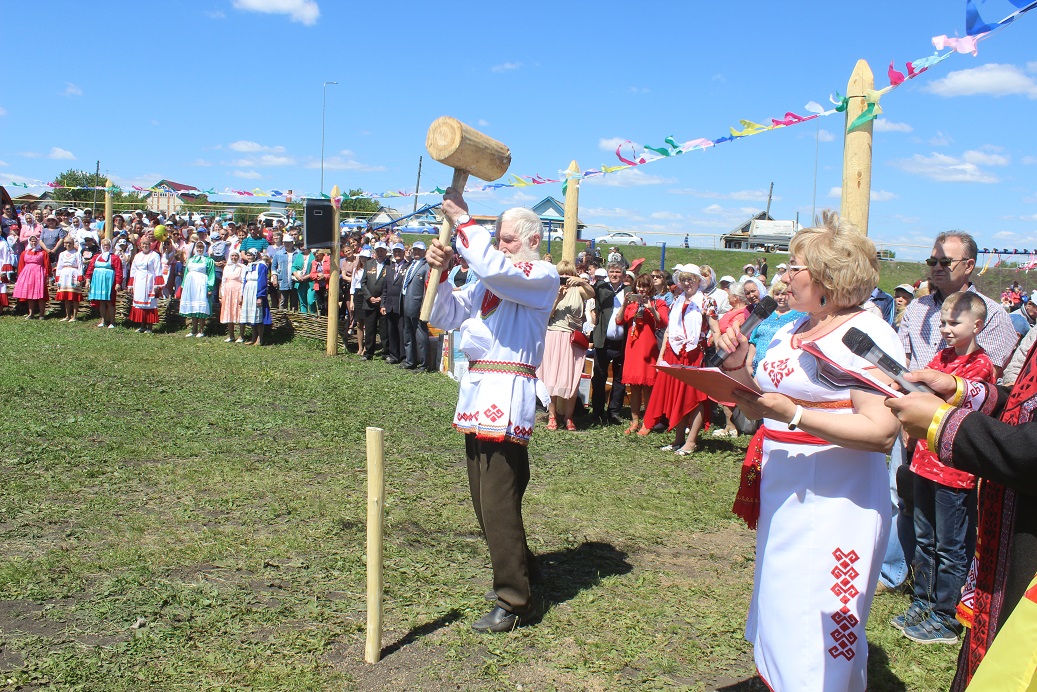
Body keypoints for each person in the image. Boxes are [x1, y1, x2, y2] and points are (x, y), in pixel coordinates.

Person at [716, 211, 902, 691]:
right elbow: (760, 398)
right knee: (782, 597)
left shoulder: (866, 333)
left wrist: (794, 416)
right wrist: (736, 365)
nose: (784, 275)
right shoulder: (793, 324)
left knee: (818, 609)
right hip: (787, 487)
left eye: (794, 266)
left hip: (837, 498)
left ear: (826, 277)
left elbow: (882, 431)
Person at [425, 188, 557, 633]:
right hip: (479, 387)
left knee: (498, 496)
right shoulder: (488, 279)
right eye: (497, 239)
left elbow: (497, 270)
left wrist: (464, 221)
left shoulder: (540, 275)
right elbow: (446, 315)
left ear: (533, 240)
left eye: (508, 240)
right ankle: (521, 571)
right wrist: (441, 276)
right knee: (484, 497)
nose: (501, 247)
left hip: (509, 388)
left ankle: (515, 600)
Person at [892, 291, 996, 646]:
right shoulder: (942, 356)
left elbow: (947, 402)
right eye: (943, 322)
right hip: (924, 461)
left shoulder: (980, 366)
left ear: (977, 325)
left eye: (954, 322)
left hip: (954, 471)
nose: (946, 329)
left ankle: (946, 616)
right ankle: (923, 602)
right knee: (925, 540)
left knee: (950, 547)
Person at [642, 264, 715, 455]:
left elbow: (716, 329)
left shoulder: (707, 301)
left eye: (690, 279)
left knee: (696, 396)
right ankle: (678, 439)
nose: (686, 283)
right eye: (683, 279)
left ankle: (691, 442)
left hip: (694, 353)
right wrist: (661, 357)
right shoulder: (676, 300)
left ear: (698, 281)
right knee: (677, 395)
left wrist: (715, 341)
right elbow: (668, 331)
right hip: (674, 353)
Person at [537, 260, 593, 431]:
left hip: (572, 337)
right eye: (561, 274)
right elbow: (545, 315)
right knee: (551, 376)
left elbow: (592, 294)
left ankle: (569, 417)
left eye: (568, 274)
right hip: (553, 334)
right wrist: (558, 298)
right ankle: (552, 416)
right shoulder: (550, 290)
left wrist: (582, 281)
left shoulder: (579, 289)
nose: (565, 278)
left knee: (572, 377)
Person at [621, 273, 668, 435]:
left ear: (650, 288)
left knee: (648, 388)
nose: (641, 289)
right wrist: (624, 304)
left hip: (649, 349)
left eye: (645, 286)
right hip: (633, 348)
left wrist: (651, 308)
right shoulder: (631, 304)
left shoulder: (659, 303)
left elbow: (663, 322)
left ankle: (648, 423)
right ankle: (634, 421)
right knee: (634, 388)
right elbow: (619, 320)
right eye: (639, 286)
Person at [590, 263, 629, 425]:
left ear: (623, 274)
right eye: (612, 271)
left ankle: (614, 412)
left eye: (618, 272)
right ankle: (597, 412)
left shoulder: (628, 291)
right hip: (603, 341)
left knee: (620, 379)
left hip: (622, 342)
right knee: (599, 376)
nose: (614, 274)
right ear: (607, 273)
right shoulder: (601, 288)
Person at [400, 241, 432, 370]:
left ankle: (424, 364)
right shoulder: (410, 265)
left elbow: (427, 289)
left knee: (420, 335)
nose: (417, 252)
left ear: (424, 251)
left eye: (419, 250)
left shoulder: (426, 267)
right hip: (406, 302)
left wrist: (424, 307)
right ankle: (410, 361)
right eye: (415, 250)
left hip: (417, 305)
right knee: (407, 334)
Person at [180, 241, 216, 338]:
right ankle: (193, 329)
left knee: (201, 305)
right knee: (193, 304)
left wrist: (209, 287)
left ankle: (201, 330)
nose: (199, 250)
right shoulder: (191, 259)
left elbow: (211, 274)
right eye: (198, 248)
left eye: (201, 248)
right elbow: (186, 272)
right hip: (191, 284)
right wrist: (183, 285)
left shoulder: (208, 260)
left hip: (201, 283)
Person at [360, 242, 390, 360]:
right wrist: (369, 297)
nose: (380, 253)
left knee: (384, 330)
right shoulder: (368, 264)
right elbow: (363, 282)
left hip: (383, 302)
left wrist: (382, 298)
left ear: (386, 252)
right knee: (370, 328)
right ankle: (369, 353)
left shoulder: (390, 265)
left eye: (382, 250)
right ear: (374, 252)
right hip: (369, 302)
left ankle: (386, 352)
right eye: (378, 251)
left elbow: (391, 285)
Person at [128, 236, 163, 333]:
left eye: (147, 244)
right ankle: (142, 325)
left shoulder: (155, 255)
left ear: (150, 245)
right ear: (140, 245)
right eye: (143, 244)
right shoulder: (137, 256)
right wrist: (130, 285)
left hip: (150, 281)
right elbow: (133, 270)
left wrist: (157, 285)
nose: (145, 245)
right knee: (140, 304)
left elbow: (158, 270)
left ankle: (149, 327)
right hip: (139, 281)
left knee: (150, 304)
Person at [85, 237, 122, 329]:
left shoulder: (114, 257)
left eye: (107, 245)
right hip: (98, 280)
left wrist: (118, 283)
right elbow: (90, 269)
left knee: (109, 301)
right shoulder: (96, 257)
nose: (106, 247)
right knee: (101, 301)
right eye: (104, 245)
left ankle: (112, 321)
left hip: (109, 281)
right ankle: (103, 320)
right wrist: (88, 280)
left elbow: (118, 271)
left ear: (110, 246)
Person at [380, 242, 408, 363]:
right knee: (391, 331)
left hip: (401, 304)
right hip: (390, 304)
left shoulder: (408, 267)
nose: (397, 254)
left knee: (401, 331)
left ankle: (403, 356)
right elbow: (385, 288)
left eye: (399, 251)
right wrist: (383, 303)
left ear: (403, 253)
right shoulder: (389, 268)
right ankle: (393, 355)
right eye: (395, 251)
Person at [13, 234, 51, 319]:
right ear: (29, 242)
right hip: (27, 274)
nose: (33, 242)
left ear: (38, 242)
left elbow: (47, 265)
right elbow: (21, 265)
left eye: (35, 241)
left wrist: (47, 276)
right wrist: (20, 276)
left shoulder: (43, 253)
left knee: (41, 294)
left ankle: (41, 314)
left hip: (39, 273)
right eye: (32, 241)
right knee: (30, 294)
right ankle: (31, 313)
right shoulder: (24, 253)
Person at [240, 249, 271, 346]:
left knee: (258, 315)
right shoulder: (249, 266)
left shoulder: (261, 266)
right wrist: (243, 294)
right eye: (248, 255)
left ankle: (260, 338)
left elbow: (262, 281)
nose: (249, 257)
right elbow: (245, 280)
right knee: (251, 314)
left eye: (251, 256)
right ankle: (253, 338)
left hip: (256, 291)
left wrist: (260, 296)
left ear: (255, 256)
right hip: (249, 292)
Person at [53, 237, 84, 322]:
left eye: (70, 243)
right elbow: (59, 266)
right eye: (66, 243)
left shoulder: (77, 253)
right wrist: (58, 276)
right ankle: (67, 315)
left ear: (73, 243)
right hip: (64, 274)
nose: (68, 244)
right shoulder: (62, 254)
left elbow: (80, 265)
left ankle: (74, 316)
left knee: (74, 295)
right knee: (66, 296)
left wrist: (80, 276)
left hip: (73, 274)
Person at [220, 250, 245, 342]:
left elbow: (243, 281)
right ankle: (231, 335)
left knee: (239, 312)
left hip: (237, 291)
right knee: (229, 311)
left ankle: (241, 336)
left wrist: (242, 294)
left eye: (236, 256)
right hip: (228, 292)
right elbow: (223, 281)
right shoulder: (226, 267)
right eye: (232, 256)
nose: (234, 257)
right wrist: (222, 294)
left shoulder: (242, 267)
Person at [351, 248, 371, 356]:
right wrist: (352, 300)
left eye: (366, 258)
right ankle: (360, 347)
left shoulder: (371, 270)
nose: (363, 259)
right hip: (358, 294)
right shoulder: (356, 269)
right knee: (359, 323)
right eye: (362, 257)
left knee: (367, 323)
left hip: (367, 294)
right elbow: (353, 285)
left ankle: (367, 347)